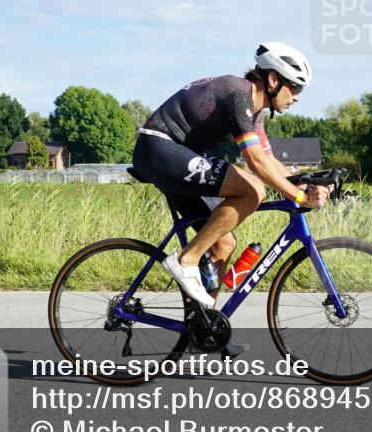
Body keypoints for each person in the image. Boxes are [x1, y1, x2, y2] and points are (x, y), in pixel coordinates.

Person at [131, 42, 333, 312]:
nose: (297, 97)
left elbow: (270, 160)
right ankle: (185, 259)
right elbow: (256, 162)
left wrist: (308, 182)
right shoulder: (238, 95)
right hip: (158, 149)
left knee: (223, 244)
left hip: (179, 157)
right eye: (295, 87)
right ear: (273, 79)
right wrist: (297, 196)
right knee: (253, 190)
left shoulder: (255, 111)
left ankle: (203, 329)